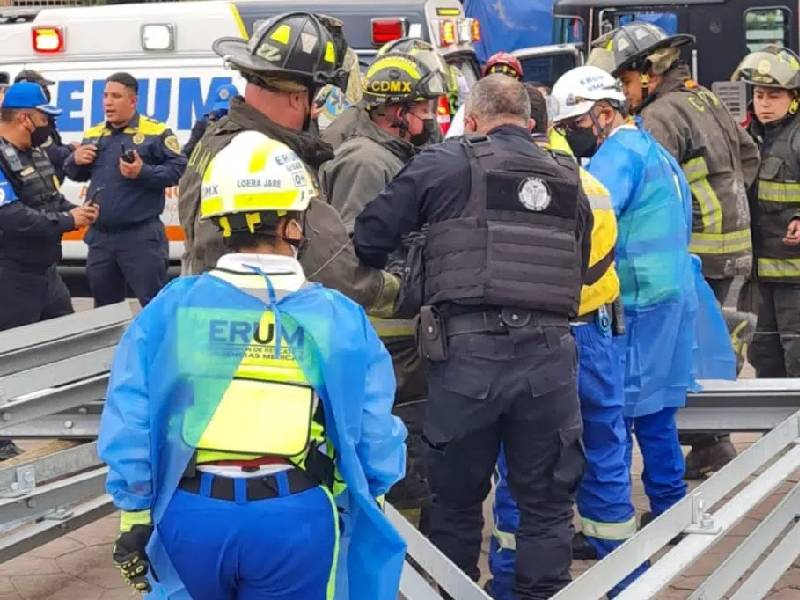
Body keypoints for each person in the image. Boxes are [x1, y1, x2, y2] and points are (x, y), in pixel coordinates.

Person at [98, 131, 407, 600]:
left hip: (191, 513)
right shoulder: (337, 317)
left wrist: (135, 513)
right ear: (293, 225)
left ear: (221, 221)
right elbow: (373, 430)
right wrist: (367, 495)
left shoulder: (174, 308)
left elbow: (131, 413)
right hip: (294, 517)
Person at [354, 74, 591, 599]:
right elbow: (581, 254)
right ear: (530, 124)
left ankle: (452, 593)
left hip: (468, 357)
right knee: (547, 504)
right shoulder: (567, 175)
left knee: (456, 502)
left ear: (472, 119)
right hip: (551, 357)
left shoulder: (444, 162)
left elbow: (370, 236)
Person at [487, 78, 641, 600]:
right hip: (592, 335)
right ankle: (626, 583)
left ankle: (510, 586)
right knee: (605, 457)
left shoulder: (496, 182)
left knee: (521, 467)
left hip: (526, 339)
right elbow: (598, 267)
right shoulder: (589, 184)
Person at [590, 23, 760, 478]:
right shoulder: (702, 97)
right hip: (735, 243)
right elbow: (749, 155)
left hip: (695, 251)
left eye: (624, 82)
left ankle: (711, 441)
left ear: (647, 74)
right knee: (717, 347)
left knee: (684, 356)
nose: (622, 95)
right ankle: (710, 445)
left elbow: (639, 189)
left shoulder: (659, 117)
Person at [179, 12, 398, 317]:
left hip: (210, 313)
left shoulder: (217, 137)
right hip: (266, 325)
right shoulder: (270, 160)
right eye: (319, 96)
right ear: (298, 98)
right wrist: (397, 290)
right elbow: (332, 269)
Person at [555, 64, 697, 534]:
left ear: (602, 113)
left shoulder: (618, 155)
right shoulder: (650, 148)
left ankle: (614, 524)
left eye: (573, 125)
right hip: (670, 295)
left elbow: (587, 222)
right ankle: (672, 513)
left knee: (614, 416)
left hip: (636, 302)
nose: (571, 135)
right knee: (656, 412)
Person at [320, 49, 445, 519]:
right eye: (423, 107)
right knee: (399, 455)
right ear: (397, 112)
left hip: (399, 334)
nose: (430, 117)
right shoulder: (367, 163)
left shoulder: (391, 155)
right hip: (384, 335)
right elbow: (353, 251)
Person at [0, 82, 98, 458]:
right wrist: (66, 220)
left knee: (70, 345)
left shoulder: (36, 155)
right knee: (9, 355)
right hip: (11, 273)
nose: (50, 124)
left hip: (46, 271)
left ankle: (80, 420)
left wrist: (78, 209)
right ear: (26, 118)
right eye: (46, 116)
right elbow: (12, 218)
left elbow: (50, 199)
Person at [63, 72, 186, 308]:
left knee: (154, 307)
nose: (108, 102)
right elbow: (76, 175)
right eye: (105, 96)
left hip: (140, 238)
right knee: (105, 312)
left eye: (116, 96)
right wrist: (74, 160)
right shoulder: (95, 133)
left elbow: (178, 169)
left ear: (132, 101)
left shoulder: (156, 133)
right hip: (101, 238)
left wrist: (143, 173)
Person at [732, 46, 800, 377]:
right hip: (758, 280)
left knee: (797, 358)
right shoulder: (748, 138)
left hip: (795, 282)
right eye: (759, 95)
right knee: (764, 361)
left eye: (774, 96)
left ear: (794, 97)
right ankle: (773, 431)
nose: (764, 104)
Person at [13, 70, 75, 183]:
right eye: (42, 88)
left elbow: (52, 144)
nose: (46, 91)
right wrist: (72, 148)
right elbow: (51, 154)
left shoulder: (43, 117)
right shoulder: (29, 121)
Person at [446, 51, 524, 139]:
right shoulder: (469, 108)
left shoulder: (527, 106)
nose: (501, 85)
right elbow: (452, 139)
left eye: (506, 78)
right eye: (495, 79)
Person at [182, 83, 238, 159]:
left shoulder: (244, 123)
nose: (224, 113)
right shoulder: (203, 123)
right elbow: (189, 150)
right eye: (222, 110)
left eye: (226, 110)